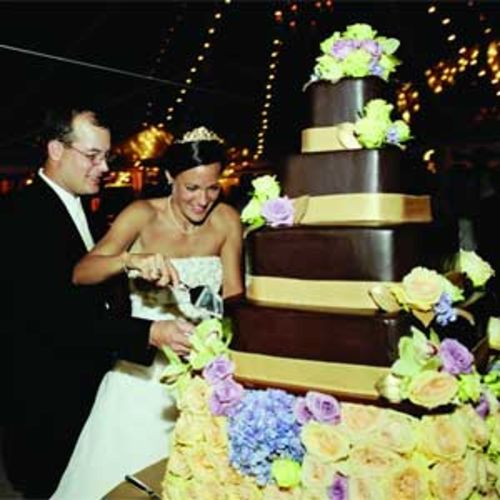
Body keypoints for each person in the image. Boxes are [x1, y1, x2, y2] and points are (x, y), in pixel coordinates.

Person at [1, 106, 191, 499]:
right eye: (92, 156)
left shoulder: (80, 207)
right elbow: (51, 317)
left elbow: (88, 293)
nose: (104, 167)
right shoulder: (22, 214)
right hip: (45, 399)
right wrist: (150, 332)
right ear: (56, 150)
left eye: (106, 156)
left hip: (83, 383)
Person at [52, 126, 244, 500]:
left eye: (212, 187)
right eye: (192, 187)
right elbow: (81, 272)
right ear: (170, 177)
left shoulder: (226, 220)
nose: (203, 200)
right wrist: (130, 260)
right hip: (142, 375)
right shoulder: (141, 214)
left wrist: (221, 350)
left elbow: (233, 297)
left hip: (204, 372)